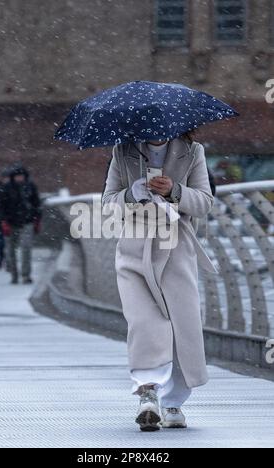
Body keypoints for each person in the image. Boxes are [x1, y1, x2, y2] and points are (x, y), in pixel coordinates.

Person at [102, 134, 217, 431]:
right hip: (135, 249)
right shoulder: (122, 151)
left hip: (176, 246)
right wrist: (131, 193)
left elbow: (204, 202)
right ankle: (148, 393)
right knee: (144, 323)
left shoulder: (193, 152)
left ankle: (173, 402)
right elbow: (108, 203)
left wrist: (175, 191)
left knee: (182, 325)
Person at [0, 164, 42, 284]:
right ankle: (14, 274)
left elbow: (36, 204)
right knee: (10, 250)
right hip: (10, 222)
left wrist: (37, 220)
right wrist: (3, 221)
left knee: (26, 248)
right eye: (17, 176)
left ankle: (25, 275)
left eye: (21, 176)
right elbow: (1, 207)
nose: (19, 178)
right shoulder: (7, 188)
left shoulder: (30, 187)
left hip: (27, 222)